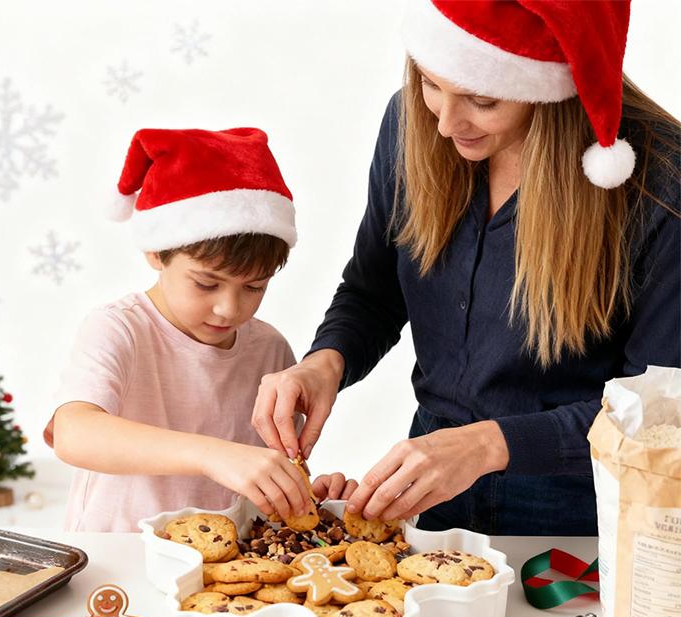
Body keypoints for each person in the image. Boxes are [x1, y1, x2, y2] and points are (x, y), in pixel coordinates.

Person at [253, 0, 680, 536]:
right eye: (431, 83)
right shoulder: (412, 123)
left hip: (582, 505)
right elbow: (374, 290)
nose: (446, 122)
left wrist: (488, 445)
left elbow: (659, 410)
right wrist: (325, 363)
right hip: (434, 481)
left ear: (548, 84)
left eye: (482, 99)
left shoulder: (660, 185)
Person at [45, 127, 350, 532]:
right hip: (121, 555)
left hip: (225, 570)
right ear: (156, 251)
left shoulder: (270, 350)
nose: (228, 308)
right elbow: (74, 433)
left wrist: (309, 495)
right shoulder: (119, 328)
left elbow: (270, 475)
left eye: (254, 287)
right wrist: (213, 455)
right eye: (206, 283)